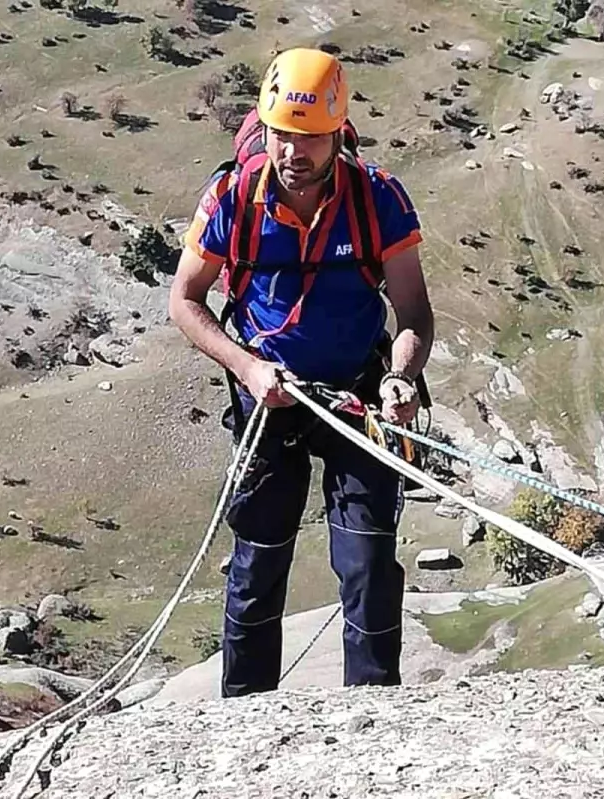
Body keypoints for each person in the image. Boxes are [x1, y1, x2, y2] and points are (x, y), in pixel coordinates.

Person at [168, 46, 434, 697]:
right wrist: (249, 368)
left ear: (338, 134)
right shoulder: (233, 197)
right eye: (284, 135)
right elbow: (185, 300)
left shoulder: (377, 199)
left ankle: (373, 712)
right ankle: (244, 716)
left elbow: (415, 315)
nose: (294, 152)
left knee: (368, 561)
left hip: (359, 398)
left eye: (310, 139)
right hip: (270, 402)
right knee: (258, 562)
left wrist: (401, 377)